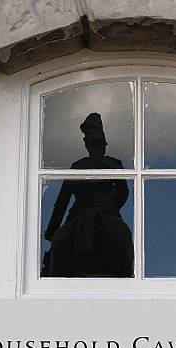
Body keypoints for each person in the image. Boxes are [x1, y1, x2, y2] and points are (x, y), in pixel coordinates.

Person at [43, 113, 133, 277]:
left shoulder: (78, 166)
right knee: (124, 236)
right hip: (108, 211)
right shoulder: (113, 164)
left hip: (77, 214)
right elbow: (123, 193)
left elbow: (62, 202)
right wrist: (111, 206)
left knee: (56, 253)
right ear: (103, 145)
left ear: (88, 146)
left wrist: (52, 231)